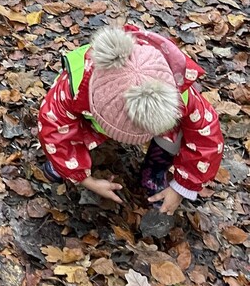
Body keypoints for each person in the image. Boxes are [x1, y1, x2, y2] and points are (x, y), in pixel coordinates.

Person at [38, 25, 224, 216]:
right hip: (85, 116)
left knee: (183, 128)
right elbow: (53, 127)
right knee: (60, 136)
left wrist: (182, 187)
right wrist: (86, 180)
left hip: (156, 116)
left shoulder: (179, 93)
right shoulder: (74, 84)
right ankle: (67, 163)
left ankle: (154, 171)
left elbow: (207, 137)